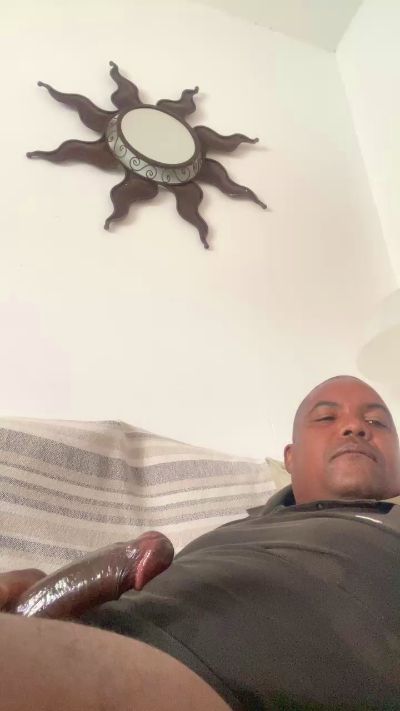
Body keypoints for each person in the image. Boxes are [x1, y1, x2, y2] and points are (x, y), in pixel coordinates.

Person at [1, 375, 400, 710]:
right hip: (97, 636)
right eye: (327, 417)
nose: (355, 427)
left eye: (377, 422)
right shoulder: (236, 529)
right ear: (290, 459)